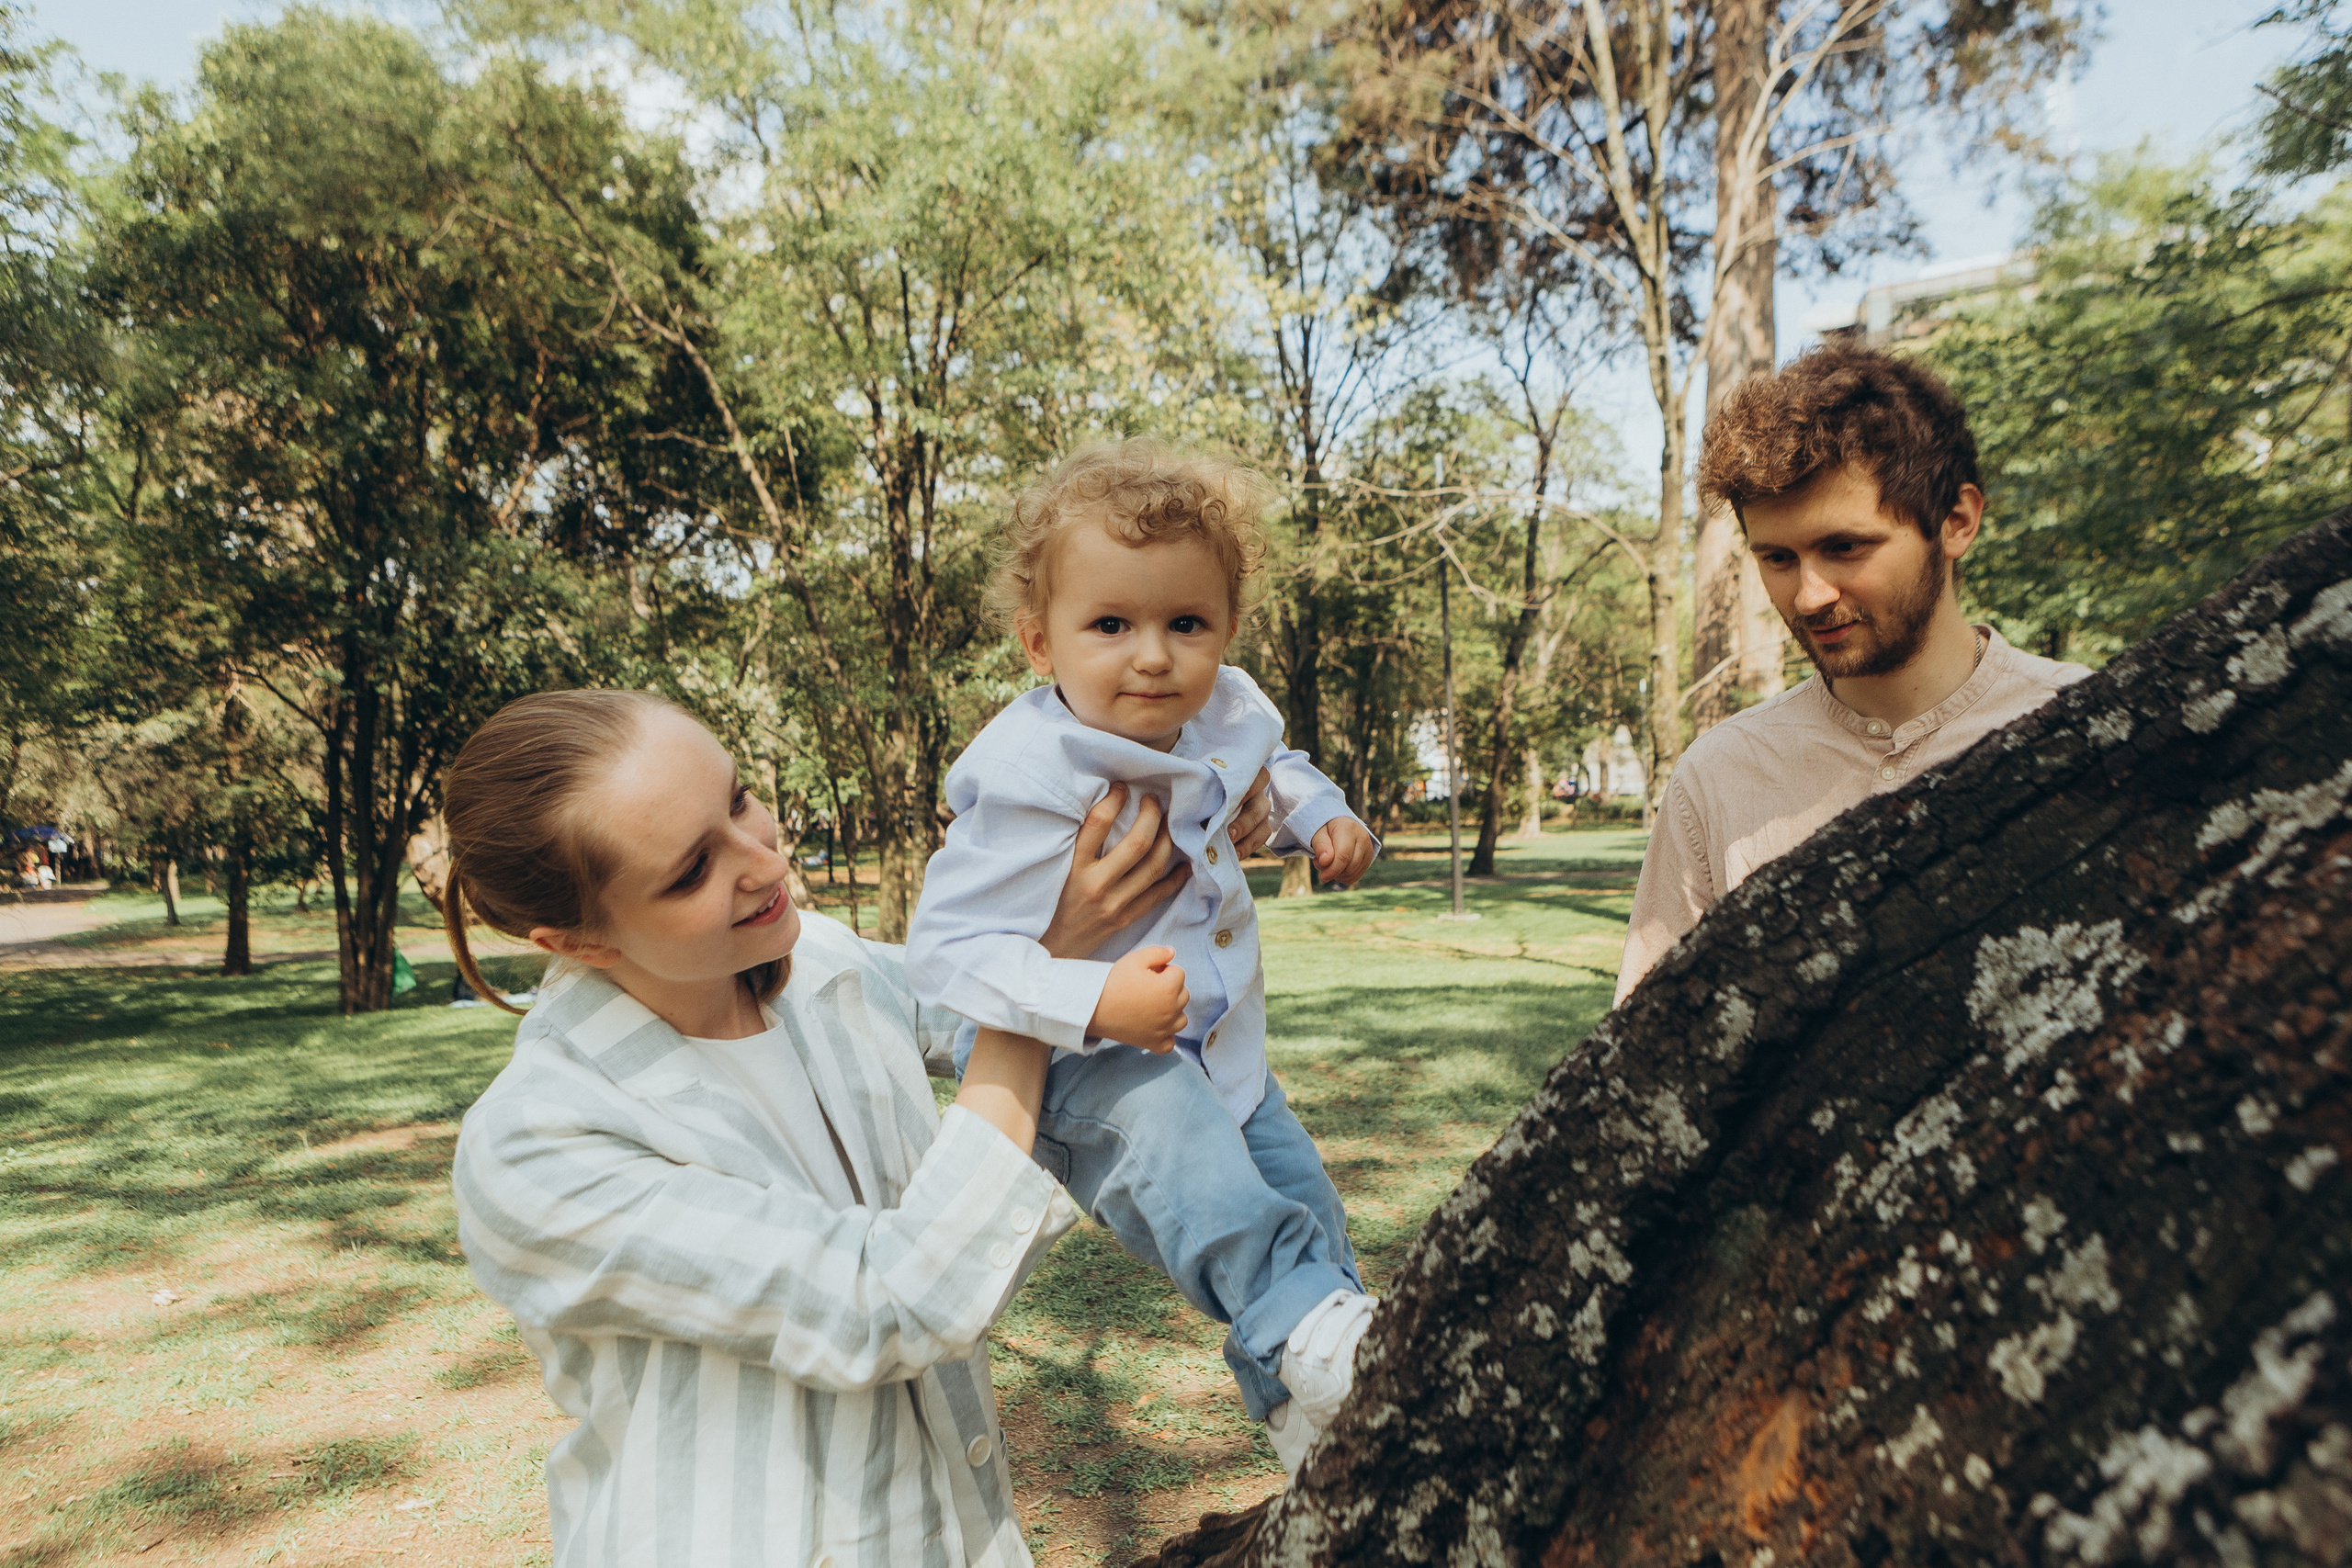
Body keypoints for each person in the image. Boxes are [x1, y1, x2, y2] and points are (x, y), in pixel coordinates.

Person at [444, 689, 1276, 1568]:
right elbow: (896, 1297)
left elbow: (1017, 983)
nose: (762, 861)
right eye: (691, 871)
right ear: (579, 941)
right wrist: (1044, 976)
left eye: (736, 800)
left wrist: (1198, 802)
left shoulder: (825, 965)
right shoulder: (535, 1147)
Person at [904, 439, 1382, 1478]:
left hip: (1222, 1052)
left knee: (1304, 1204)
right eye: (1110, 625)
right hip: (1086, 1059)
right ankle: (1311, 1344)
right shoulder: (1031, 770)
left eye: (1185, 624)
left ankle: (1314, 1411)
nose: (1153, 655)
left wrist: (1321, 816)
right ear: (1041, 644)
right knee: (1207, 1186)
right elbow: (942, 959)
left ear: (1226, 630)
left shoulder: (1221, 707)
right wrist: (1091, 997)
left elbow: (1274, 762)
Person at [1616, 346, 2093, 1004]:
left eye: (1844, 547)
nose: (1809, 594)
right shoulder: (1719, 778)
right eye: (1778, 557)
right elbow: (1649, 1045)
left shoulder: (2084, 723)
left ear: (1956, 522)